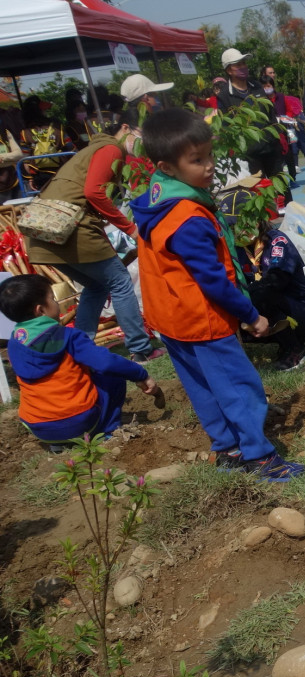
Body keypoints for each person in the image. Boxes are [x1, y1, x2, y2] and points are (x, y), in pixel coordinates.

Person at [132, 108, 305, 482]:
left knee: (203, 386)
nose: (209, 166)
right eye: (197, 160)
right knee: (240, 386)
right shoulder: (188, 218)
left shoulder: (154, 203)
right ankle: (261, 458)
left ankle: (228, 449)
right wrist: (250, 314)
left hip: (171, 318)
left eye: (209, 155)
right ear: (167, 166)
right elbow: (211, 280)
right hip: (202, 318)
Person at [23, 118, 164, 363]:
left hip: (44, 233)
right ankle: (141, 349)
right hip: (67, 229)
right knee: (120, 281)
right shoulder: (111, 149)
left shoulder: (94, 149)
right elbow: (93, 192)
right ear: (124, 128)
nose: (143, 142)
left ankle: (81, 349)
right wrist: (130, 229)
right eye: (141, 134)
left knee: (97, 286)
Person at [1, 274, 158, 449]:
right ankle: (108, 431)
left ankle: (59, 444)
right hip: (76, 422)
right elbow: (106, 363)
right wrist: (140, 374)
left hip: (36, 426)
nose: (56, 303)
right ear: (41, 310)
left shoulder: (14, 343)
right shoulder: (68, 337)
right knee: (113, 378)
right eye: (53, 299)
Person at [221, 188, 305, 371]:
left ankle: (295, 348)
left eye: (239, 224)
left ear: (257, 220)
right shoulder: (238, 251)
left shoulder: (277, 242)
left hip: (303, 310)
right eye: (230, 227)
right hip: (273, 307)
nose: (236, 231)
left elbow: (277, 281)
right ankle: (288, 339)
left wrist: (245, 301)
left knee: (263, 293)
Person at [216, 49, 286, 181]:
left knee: (281, 186)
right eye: (238, 65)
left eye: (244, 63)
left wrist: (277, 137)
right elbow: (226, 126)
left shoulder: (257, 86)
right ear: (229, 70)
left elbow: (271, 113)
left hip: (270, 148)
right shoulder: (224, 96)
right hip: (249, 154)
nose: (243, 67)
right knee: (258, 190)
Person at [19, 95, 74, 192]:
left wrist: (31, 178)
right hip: (61, 171)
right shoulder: (58, 128)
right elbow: (70, 147)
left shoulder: (25, 133)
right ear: (41, 112)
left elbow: (25, 159)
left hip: (39, 176)